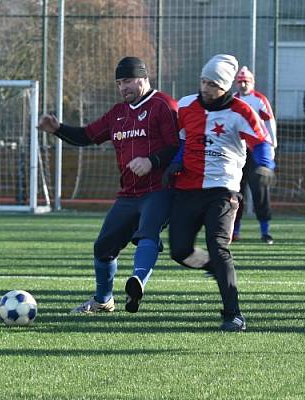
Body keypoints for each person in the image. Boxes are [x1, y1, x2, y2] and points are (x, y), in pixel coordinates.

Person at [37, 57, 179, 314]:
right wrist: (58, 128)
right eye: (118, 83)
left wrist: (152, 161)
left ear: (143, 79)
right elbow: (86, 136)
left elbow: (176, 146)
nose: (123, 87)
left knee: (148, 233)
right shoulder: (118, 114)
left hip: (159, 189)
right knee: (103, 248)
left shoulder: (163, 105)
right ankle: (103, 300)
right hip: (128, 194)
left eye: (127, 81)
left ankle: (137, 282)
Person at [166, 54, 274, 331]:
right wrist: (175, 162)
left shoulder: (242, 111)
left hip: (222, 190)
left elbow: (261, 143)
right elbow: (181, 140)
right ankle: (214, 267)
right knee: (180, 251)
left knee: (219, 246)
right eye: (203, 81)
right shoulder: (187, 105)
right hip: (187, 189)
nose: (205, 88)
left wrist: (264, 167)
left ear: (225, 87)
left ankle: (233, 314)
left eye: (212, 84)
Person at [232, 66, 277, 244]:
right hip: (237, 152)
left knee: (260, 190)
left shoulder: (259, 100)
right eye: (240, 81)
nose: (243, 84)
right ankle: (234, 230)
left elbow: (269, 122)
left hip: (256, 151)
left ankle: (265, 230)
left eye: (246, 81)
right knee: (236, 191)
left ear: (252, 82)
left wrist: (272, 146)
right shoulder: (232, 100)